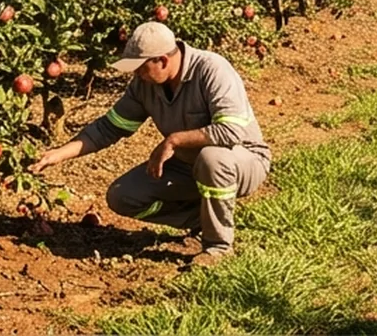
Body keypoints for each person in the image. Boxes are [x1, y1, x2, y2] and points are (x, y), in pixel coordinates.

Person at [30, 21, 269, 268]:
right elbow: (109, 128)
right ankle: (205, 220)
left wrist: (175, 140)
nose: (136, 75)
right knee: (123, 196)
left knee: (212, 159)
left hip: (242, 158)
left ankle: (218, 247)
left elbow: (231, 130)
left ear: (163, 61)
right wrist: (59, 154)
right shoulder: (145, 86)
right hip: (189, 165)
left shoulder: (212, 70)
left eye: (141, 68)